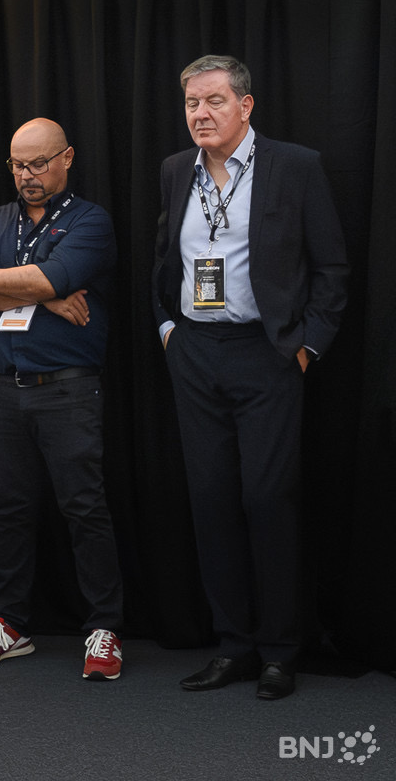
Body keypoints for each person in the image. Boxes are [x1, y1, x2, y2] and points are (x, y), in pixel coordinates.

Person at [152, 55, 349, 701]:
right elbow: (165, 261)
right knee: (211, 501)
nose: (200, 114)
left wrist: (304, 348)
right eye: (191, 103)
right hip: (195, 355)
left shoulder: (295, 167)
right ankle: (233, 646)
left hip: (267, 354)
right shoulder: (175, 170)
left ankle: (279, 652)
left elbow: (332, 270)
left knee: (268, 501)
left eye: (213, 101)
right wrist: (169, 329)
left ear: (246, 106)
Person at [0, 118, 124, 681]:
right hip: (2, 390)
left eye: (38, 164)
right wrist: (45, 293)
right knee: (9, 510)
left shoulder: (90, 220)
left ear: (66, 158)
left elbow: (45, 277)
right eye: (17, 165)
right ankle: (10, 624)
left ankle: (104, 627)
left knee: (84, 508)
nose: (27, 175)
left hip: (67, 389)